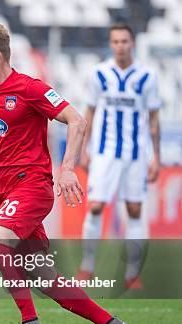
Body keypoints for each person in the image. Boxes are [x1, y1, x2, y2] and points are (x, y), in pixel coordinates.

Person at [0, 24, 130, 324]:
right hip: (3, 192)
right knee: (43, 276)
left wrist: (67, 169)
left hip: (32, 186)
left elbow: (78, 121)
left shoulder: (30, 89)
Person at [77, 23, 161, 289]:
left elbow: (154, 118)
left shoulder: (147, 76)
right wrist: (84, 150)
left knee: (134, 210)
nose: (120, 46)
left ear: (132, 43)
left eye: (124, 41)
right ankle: (87, 267)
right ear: (111, 44)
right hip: (104, 153)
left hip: (136, 155)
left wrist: (156, 157)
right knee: (96, 206)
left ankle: (132, 274)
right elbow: (88, 113)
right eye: (115, 42)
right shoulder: (99, 74)